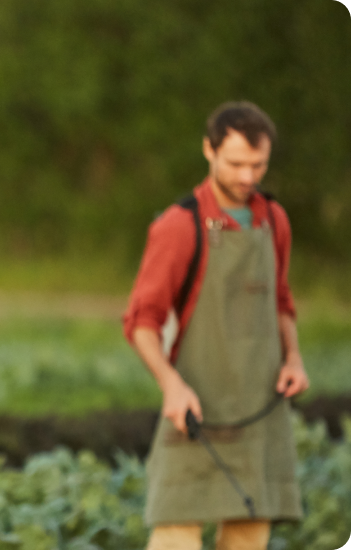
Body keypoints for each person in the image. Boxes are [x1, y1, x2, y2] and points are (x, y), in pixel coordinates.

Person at [123, 101, 308, 550]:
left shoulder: (274, 221)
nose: (248, 177)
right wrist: (171, 385)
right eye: (236, 164)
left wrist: (294, 359)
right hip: (195, 409)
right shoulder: (179, 225)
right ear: (209, 151)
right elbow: (140, 322)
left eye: (258, 165)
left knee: (249, 536)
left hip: (259, 408)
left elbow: (280, 302)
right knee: (176, 536)